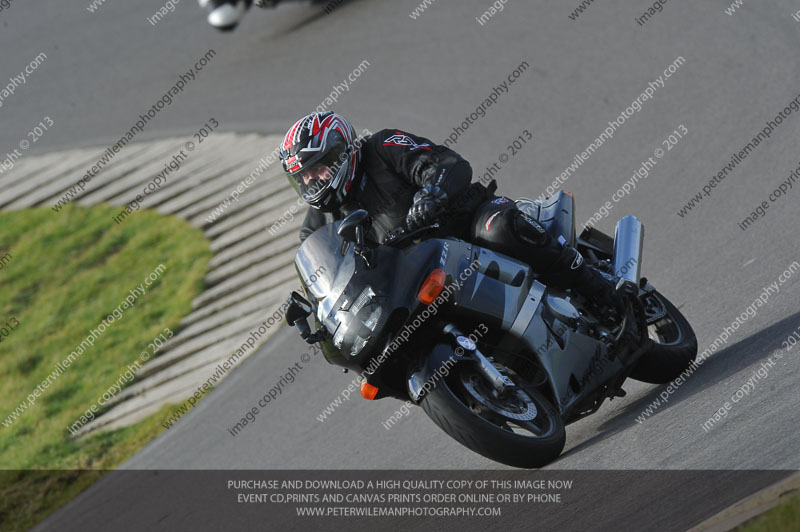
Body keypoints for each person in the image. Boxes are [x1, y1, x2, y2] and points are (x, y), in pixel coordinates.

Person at [278, 112, 622, 313]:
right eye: (303, 176)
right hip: (416, 275)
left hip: (463, 223)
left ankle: (596, 289)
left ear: (340, 150)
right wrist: (321, 314)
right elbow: (326, 278)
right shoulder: (317, 225)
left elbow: (445, 163)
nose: (312, 180)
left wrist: (430, 195)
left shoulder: (381, 147)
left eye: (318, 167)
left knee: (499, 228)